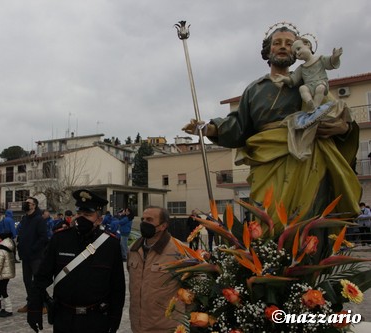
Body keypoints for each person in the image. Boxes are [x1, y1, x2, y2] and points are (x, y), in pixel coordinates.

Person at [183, 23, 360, 232]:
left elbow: (335, 114)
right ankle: (267, 261)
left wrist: (342, 128)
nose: (283, 47)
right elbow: (239, 125)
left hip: (305, 159)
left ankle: (304, 262)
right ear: (268, 50)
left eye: (289, 44)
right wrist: (210, 129)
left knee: (305, 220)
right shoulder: (255, 89)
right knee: (266, 219)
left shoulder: (308, 82)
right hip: (266, 158)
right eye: (277, 43)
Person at [27, 189, 125, 333]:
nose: (81, 218)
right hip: (64, 318)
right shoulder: (60, 239)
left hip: (96, 319)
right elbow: (41, 278)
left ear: (99, 219)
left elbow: (117, 287)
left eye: (88, 215)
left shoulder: (110, 244)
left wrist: (115, 318)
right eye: (79, 213)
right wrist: (34, 309)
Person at [127, 206, 183, 333]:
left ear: (163, 226)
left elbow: (195, 286)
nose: (144, 223)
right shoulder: (133, 249)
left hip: (166, 327)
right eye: (143, 219)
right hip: (138, 326)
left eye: (149, 219)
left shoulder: (178, 251)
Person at [274, 37, 342, 110]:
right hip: (309, 85)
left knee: (320, 88)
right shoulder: (302, 67)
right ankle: (310, 102)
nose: (297, 53)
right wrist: (284, 79)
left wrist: (335, 57)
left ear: (308, 45)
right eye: (295, 54)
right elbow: (293, 80)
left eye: (298, 49)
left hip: (321, 83)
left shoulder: (320, 59)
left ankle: (316, 106)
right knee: (302, 88)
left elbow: (330, 63)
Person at [16, 197, 48, 313]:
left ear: (34, 205)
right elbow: (22, 234)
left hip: (36, 256)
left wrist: (33, 248)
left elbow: (43, 237)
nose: (25, 204)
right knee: (27, 281)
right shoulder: (25, 219)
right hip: (25, 256)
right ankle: (31, 303)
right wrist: (20, 246)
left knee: (38, 280)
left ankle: (45, 304)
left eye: (28, 203)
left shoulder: (39, 219)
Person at [0, 230, 17, 317]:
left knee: (2, 290)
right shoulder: (10, 245)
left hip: (2, 273)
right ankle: (4, 307)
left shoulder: (1, 248)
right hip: (8, 272)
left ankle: (8, 309)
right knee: (2, 290)